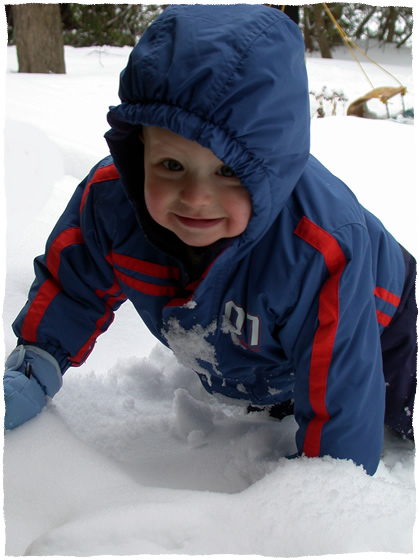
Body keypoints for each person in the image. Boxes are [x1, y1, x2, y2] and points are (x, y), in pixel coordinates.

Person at [3, 5, 416, 476]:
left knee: (384, 421)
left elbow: (344, 389)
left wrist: (328, 495)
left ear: (272, 171)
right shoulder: (111, 205)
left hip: (381, 321)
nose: (197, 197)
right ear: (140, 150)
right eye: (172, 166)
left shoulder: (319, 249)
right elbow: (72, 287)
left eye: (229, 171)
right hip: (261, 337)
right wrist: (33, 367)